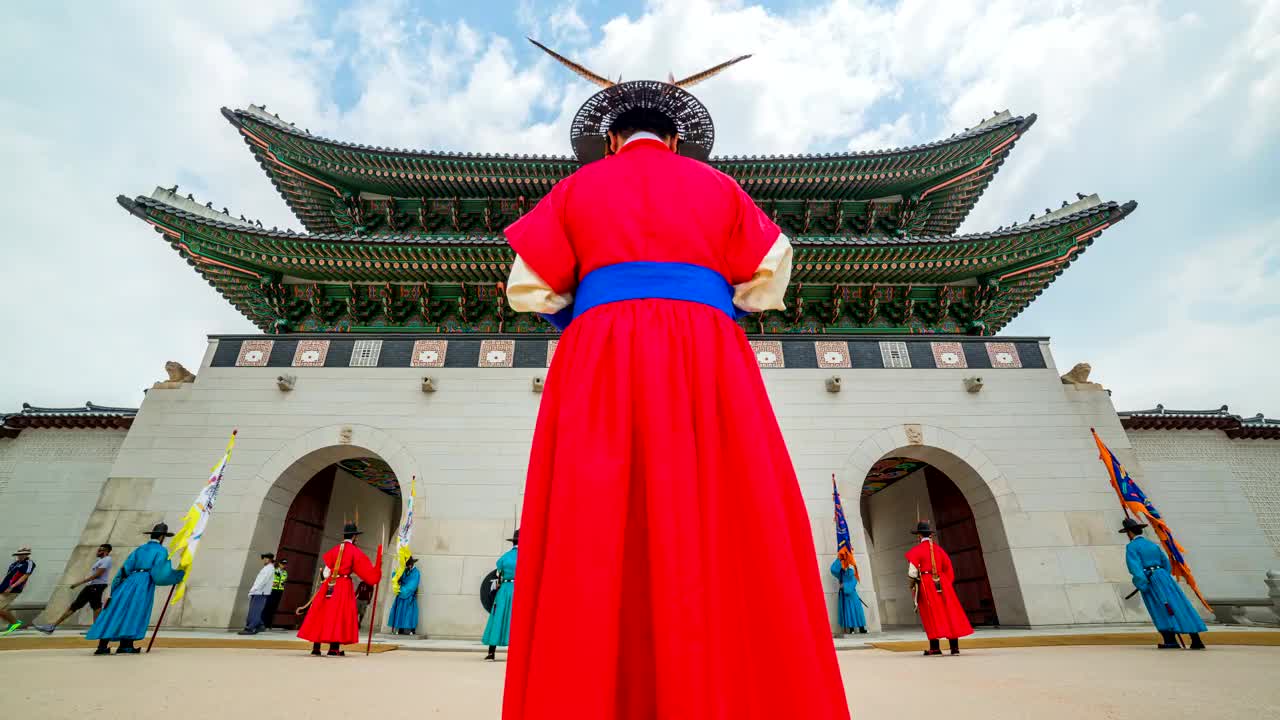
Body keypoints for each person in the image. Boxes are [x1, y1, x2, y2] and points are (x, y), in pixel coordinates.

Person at [500, 70, 847, 716]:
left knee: (594, 526)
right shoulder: (721, 188)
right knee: (729, 513)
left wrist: (594, 308)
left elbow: (530, 288)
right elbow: (769, 277)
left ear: (610, 139)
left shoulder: (574, 190)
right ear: (677, 137)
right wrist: (707, 303)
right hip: (707, 355)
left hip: (598, 357)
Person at [86, 523, 184, 655]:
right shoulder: (161, 550)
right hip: (144, 582)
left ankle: (102, 646)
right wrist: (178, 575)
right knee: (135, 611)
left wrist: (115, 587)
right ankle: (126, 645)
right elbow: (160, 574)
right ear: (162, 537)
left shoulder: (139, 549)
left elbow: (125, 568)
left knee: (115, 610)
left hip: (128, 581)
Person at [296, 521, 380, 657]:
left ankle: (316, 647)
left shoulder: (335, 549)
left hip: (329, 583)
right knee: (338, 614)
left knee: (321, 613)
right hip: (343, 584)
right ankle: (334, 648)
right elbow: (367, 574)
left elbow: (326, 571)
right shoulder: (354, 551)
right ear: (354, 537)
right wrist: (377, 571)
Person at [1121, 517, 1207, 649]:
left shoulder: (1132, 546)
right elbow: (1166, 563)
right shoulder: (1153, 545)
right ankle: (1196, 639)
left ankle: (1170, 640)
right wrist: (1163, 576)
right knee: (1179, 604)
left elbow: (1135, 568)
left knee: (1160, 607)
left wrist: (1142, 583)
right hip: (1164, 577)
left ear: (1129, 533)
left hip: (1150, 579)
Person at [905, 521, 973, 656]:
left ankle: (935, 648)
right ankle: (954, 647)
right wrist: (945, 583)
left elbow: (912, 573)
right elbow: (949, 569)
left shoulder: (916, 551)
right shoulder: (940, 550)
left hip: (926, 584)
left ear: (919, 535)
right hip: (943, 583)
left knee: (930, 614)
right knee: (949, 613)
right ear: (930, 535)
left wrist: (913, 586)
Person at [35, 544, 113, 633]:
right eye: (98, 550)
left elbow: (97, 575)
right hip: (94, 586)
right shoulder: (101, 560)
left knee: (78, 606)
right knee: (96, 607)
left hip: (95, 586)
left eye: (100, 550)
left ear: (106, 551)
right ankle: (96, 629)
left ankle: (53, 626)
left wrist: (78, 583)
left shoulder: (107, 560)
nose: (97, 552)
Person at [482, 531, 517, 661]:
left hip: (504, 589)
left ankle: (491, 652)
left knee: (497, 617)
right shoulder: (526, 555)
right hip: (518, 589)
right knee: (516, 619)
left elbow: (499, 574)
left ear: (513, 542)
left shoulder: (505, 556)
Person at [0, 546, 36, 635]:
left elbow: (25, 576)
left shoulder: (29, 563)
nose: (19, 556)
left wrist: (12, 586)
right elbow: (8, 576)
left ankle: (14, 623)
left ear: (26, 554)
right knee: (3, 608)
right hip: (4, 587)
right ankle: (12, 623)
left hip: (13, 589)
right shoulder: (14, 564)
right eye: (18, 554)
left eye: (22, 554)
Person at [239, 552, 275, 635]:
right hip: (258, 592)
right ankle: (260, 625)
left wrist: (254, 589)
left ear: (268, 559)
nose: (263, 560)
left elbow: (262, 581)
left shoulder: (269, 568)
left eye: (265, 558)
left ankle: (251, 628)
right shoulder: (267, 568)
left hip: (260, 592)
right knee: (254, 610)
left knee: (255, 611)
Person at [830, 556, 867, 634]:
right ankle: (851, 628)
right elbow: (833, 570)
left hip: (852, 595)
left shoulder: (852, 571)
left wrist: (844, 585)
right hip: (844, 596)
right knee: (848, 612)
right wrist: (839, 558)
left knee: (857, 611)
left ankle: (862, 628)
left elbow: (854, 582)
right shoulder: (840, 573)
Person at [388, 557, 420, 635]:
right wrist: (397, 577)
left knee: (410, 612)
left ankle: (412, 629)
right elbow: (396, 575)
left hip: (409, 595)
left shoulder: (416, 572)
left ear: (412, 564)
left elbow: (413, 584)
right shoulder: (404, 570)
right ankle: (400, 628)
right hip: (402, 593)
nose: (407, 566)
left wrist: (403, 589)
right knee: (400, 611)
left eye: (408, 565)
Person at [262, 558, 287, 630]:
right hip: (272, 590)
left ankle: (269, 624)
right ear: (279, 564)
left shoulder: (285, 573)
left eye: (285, 564)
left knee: (274, 608)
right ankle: (263, 623)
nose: (283, 565)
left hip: (279, 592)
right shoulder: (274, 571)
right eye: (282, 564)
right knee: (268, 607)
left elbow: (284, 582)